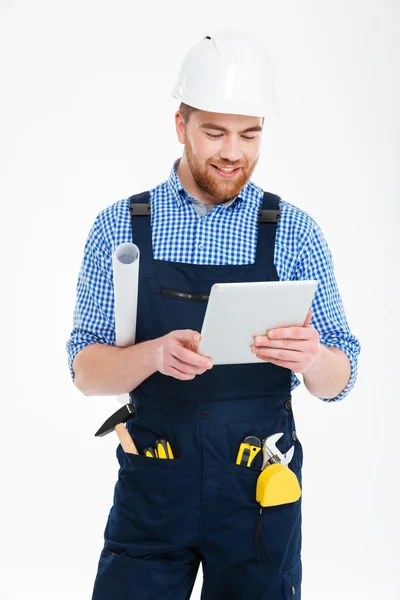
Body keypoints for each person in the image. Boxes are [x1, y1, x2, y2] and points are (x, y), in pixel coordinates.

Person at [66, 30, 361, 600]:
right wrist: (151, 355)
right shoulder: (119, 227)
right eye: (215, 132)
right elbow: (84, 372)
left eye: (249, 134)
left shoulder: (295, 231)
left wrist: (315, 357)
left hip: (257, 489)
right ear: (181, 126)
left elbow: (340, 380)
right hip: (155, 479)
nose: (233, 151)